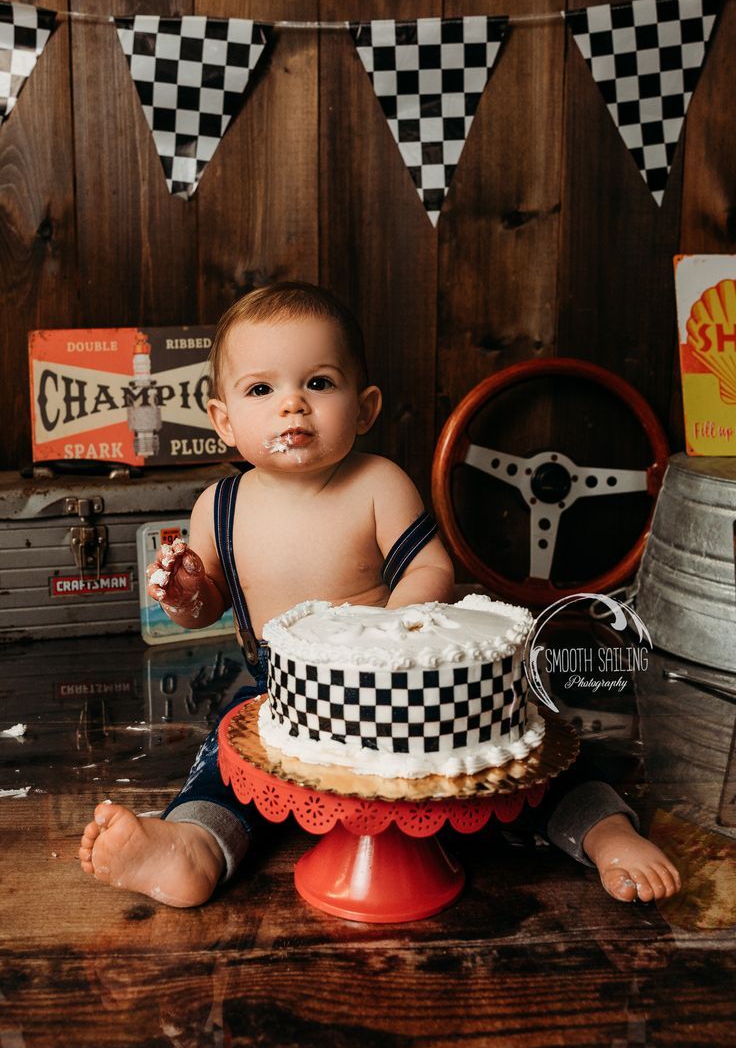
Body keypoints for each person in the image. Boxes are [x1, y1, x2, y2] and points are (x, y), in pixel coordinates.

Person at [78, 282, 681, 908]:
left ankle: (605, 830)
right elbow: (208, 604)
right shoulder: (219, 506)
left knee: (520, 758)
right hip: (284, 697)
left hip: (404, 689)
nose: (292, 406)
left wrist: (390, 642)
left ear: (365, 408)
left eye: (318, 383)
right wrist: (185, 594)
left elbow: (428, 569)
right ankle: (192, 846)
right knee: (230, 768)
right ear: (224, 420)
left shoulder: (376, 483)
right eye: (262, 389)